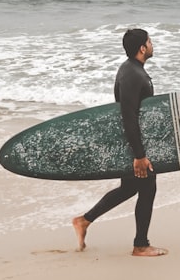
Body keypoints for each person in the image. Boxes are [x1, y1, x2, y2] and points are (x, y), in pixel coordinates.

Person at [72, 28, 168, 257]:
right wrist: (139, 156)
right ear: (142, 48)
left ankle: (84, 221)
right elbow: (129, 116)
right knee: (147, 188)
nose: (152, 44)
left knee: (130, 188)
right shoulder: (133, 75)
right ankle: (141, 245)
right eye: (150, 41)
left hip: (132, 142)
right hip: (133, 144)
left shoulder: (132, 70)